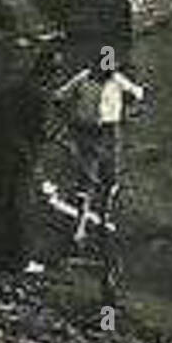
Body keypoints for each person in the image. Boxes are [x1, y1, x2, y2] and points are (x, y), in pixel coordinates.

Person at [54, 53, 147, 299]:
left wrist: (129, 111)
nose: (105, 74)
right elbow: (59, 96)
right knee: (86, 179)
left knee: (109, 177)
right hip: (85, 131)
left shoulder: (116, 80)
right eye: (102, 69)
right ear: (94, 66)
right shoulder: (83, 79)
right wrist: (68, 121)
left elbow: (138, 94)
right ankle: (81, 225)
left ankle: (104, 219)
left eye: (109, 70)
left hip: (109, 131)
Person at [0, 50, 69, 270]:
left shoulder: (14, 89)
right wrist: (61, 133)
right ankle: (21, 261)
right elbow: (40, 134)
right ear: (53, 76)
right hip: (13, 158)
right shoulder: (40, 97)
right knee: (20, 207)